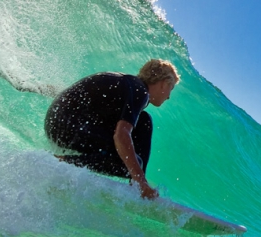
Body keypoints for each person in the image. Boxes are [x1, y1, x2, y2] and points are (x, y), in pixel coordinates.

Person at [44, 59, 179, 199]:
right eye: (171, 88)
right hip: (66, 126)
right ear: (164, 83)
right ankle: (59, 161)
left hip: (60, 122)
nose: (168, 96)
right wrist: (140, 179)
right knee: (131, 162)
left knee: (144, 121)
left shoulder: (128, 84)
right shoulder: (140, 92)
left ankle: (136, 184)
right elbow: (121, 135)